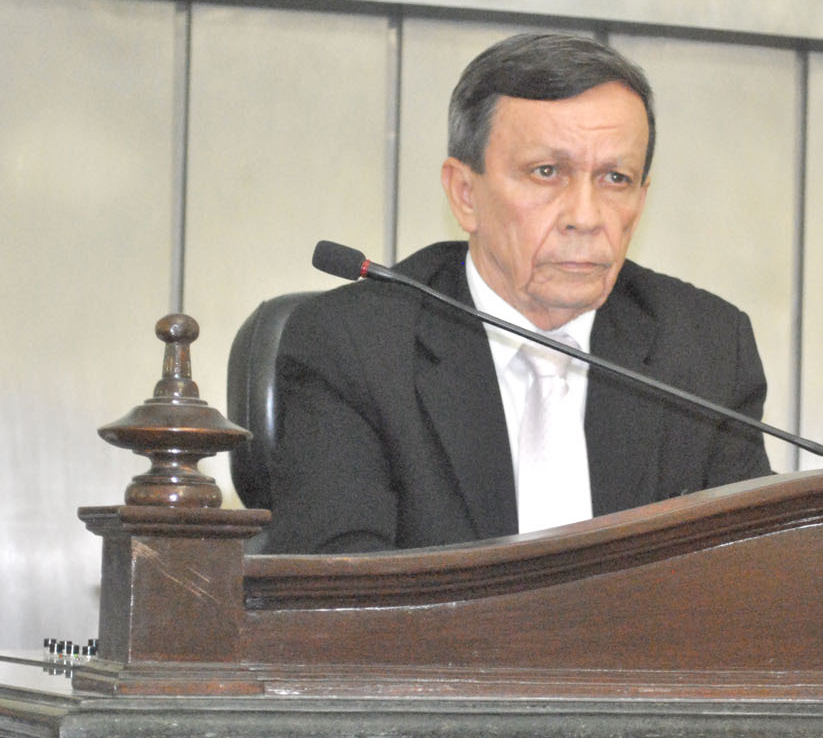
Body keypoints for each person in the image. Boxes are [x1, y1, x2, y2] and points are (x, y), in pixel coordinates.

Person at [266, 33, 771, 553]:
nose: (585, 217)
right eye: (547, 172)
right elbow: (341, 587)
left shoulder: (706, 349)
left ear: (641, 201)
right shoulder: (356, 346)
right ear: (465, 194)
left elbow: (751, 574)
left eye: (615, 178)